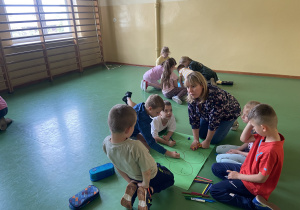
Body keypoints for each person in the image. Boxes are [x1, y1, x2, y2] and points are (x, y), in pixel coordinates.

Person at [210, 104, 284, 210]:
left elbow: (261, 178)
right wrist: (251, 122)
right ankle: (234, 185)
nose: (252, 128)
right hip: (247, 170)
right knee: (215, 167)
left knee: (215, 190)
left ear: (263, 127)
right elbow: (244, 139)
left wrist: (238, 176)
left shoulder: (270, 150)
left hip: (254, 186)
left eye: (253, 126)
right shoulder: (267, 133)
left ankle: (253, 204)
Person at [103, 104, 175, 210]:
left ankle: (130, 197)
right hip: (151, 175)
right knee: (170, 179)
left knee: (136, 183)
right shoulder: (136, 146)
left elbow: (116, 165)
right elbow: (146, 171)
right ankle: (149, 191)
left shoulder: (106, 143)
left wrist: (129, 181)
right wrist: (145, 185)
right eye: (134, 126)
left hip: (132, 176)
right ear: (128, 129)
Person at [185, 71, 241, 149]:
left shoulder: (216, 96)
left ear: (202, 85)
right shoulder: (192, 95)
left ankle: (232, 122)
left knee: (213, 140)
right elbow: (193, 119)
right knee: (201, 134)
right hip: (208, 113)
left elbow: (214, 122)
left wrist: (207, 141)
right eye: (188, 87)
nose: (190, 90)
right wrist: (196, 140)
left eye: (193, 86)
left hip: (229, 113)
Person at [122, 92, 180, 159]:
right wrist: (170, 153)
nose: (159, 114)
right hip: (127, 136)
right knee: (147, 149)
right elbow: (151, 143)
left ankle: (127, 98)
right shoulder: (143, 121)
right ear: (150, 108)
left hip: (134, 130)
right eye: (157, 112)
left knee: (150, 141)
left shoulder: (142, 106)